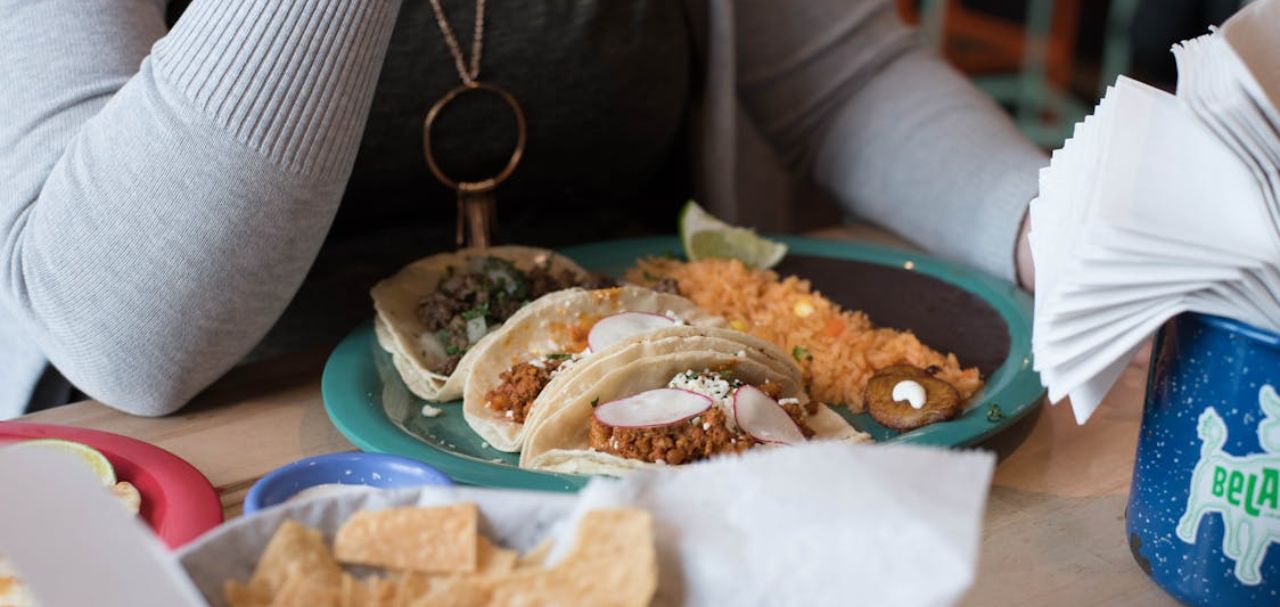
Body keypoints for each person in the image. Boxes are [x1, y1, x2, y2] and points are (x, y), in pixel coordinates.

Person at [0, 0, 1045, 418]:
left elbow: (840, 76)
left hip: (663, 434)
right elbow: (120, 333)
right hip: (241, 459)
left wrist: (1058, 230)